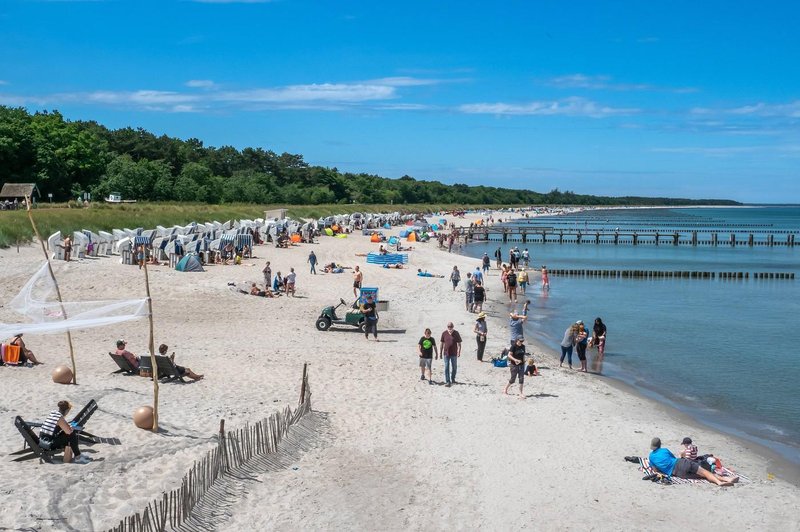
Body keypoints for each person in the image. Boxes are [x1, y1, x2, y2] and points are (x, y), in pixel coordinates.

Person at [648, 437, 737, 486]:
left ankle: (726, 479)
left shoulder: (651, 456)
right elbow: (674, 458)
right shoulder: (665, 450)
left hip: (678, 474)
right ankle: (720, 481)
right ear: (660, 445)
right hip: (681, 463)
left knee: (703, 476)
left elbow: (655, 470)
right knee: (705, 472)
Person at [440, 323, 462, 387]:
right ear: (447, 327)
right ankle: (448, 381)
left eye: (451, 326)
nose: (450, 327)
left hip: (454, 353)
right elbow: (442, 343)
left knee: (454, 367)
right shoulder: (444, 333)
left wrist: (459, 351)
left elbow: (459, 344)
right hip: (446, 353)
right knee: (446, 367)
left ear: (453, 326)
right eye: (449, 326)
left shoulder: (456, 333)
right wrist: (440, 353)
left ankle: (453, 379)